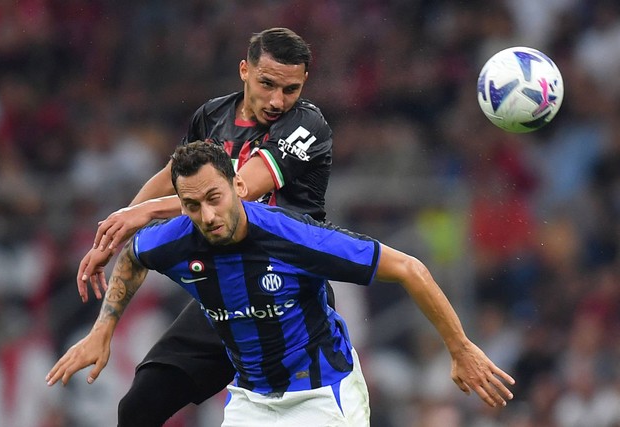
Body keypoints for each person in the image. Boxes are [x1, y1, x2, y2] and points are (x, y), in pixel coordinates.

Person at [47, 142, 516, 426]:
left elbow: (411, 269)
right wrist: (102, 331)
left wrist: (460, 348)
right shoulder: (176, 238)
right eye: (192, 205)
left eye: (214, 198)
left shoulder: (295, 237)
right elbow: (133, 256)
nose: (207, 216)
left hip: (322, 397)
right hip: (252, 401)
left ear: (236, 184)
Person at [75, 27, 335, 426]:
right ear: (244, 70)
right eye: (267, 84)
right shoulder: (213, 116)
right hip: (227, 293)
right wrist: (119, 226)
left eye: (290, 89)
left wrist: (143, 214)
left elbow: (239, 192)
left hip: (290, 297)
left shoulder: (306, 125)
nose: (277, 101)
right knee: (138, 407)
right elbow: (170, 176)